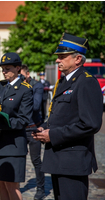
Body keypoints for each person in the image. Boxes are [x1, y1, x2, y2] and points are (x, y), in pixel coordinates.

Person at [32, 33, 103, 200]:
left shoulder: (86, 82)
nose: (58, 60)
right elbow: (62, 115)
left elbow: (90, 124)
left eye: (62, 57)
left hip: (73, 162)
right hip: (59, 160)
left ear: (77, 59)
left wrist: (53, 135)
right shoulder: (65, 81)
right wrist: (45, 127)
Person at [0, 52, 33, 200]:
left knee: (12, 186)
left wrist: (2, 122)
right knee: (2, 184)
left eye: (7, 68)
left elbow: (24, 120)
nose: (4, 72)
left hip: (14, 145)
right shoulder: (0, 86)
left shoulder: (25, 89)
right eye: (2, 69)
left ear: (18, 68)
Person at [20, 65, 45, 200]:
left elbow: (35, 106)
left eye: (22, 76)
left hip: (33, 128)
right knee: (18, 158)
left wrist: (22, 93)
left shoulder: (37, 86)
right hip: (20, 129)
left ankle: (40, 188)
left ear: (28, 74)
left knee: (35, 160)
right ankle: (15, 186)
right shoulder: (18, 86)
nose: (20, 79)